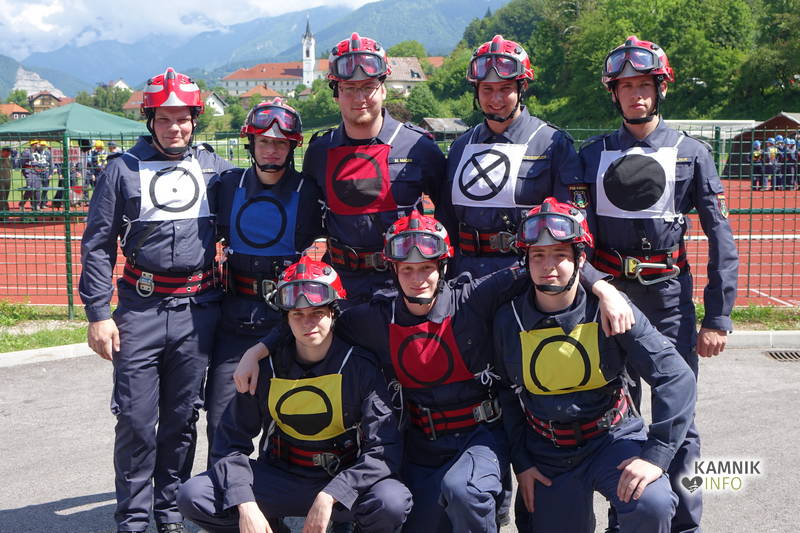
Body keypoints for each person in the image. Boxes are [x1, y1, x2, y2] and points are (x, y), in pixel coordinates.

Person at [236, 211, 634, 533]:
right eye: (406, 270)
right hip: (421, 443)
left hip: (479, 435)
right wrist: (260, 348)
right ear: (393, 270)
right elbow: (312, 317)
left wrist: (604, 288)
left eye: (426, 267)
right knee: (416, 518)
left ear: (443, 266)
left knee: (464, 493)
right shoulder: (374, 318)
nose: (417, 278)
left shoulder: (473, 298)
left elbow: (545, 264)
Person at [579, 36, 739, 533]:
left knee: (679, 418)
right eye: (625, 86)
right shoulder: (591, 154)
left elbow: (721, 236)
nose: (636, 95)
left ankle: (686, 524)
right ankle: (626, 520)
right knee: (616, 417)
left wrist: (718, 316)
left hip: (669, 298)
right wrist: (596, 287)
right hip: (611, 300)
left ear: (660, 88)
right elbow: (574, 237)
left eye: (644, 85)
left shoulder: (692, 152)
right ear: (614, 93)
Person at [79, 67, 232, 533]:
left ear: (194, 119)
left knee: (182, 419)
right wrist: (97, 313)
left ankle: (170, 513)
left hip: (198, 310)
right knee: (136, 420)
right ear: (150, 120)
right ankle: (133, 520)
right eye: (164, 119)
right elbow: (97, 244)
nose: (174, 128)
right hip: (140, 310)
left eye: (182, 118)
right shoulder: (121, 169)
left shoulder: (215, 168)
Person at [493, 197, 696, 533]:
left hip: (611, 439)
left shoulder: (611, 309)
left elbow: (675, 376)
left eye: (560, 254)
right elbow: (505, 394)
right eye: (538, 255)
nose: (548, 265)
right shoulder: (507, 319)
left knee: (652, 503)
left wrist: (656, 455)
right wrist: (523, 463)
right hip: (548, 451)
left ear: (580, 259)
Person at [177, 256, 412, 533]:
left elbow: (383, 449)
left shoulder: (360, 366)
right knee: (194, 495)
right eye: (297, 314)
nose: (307, 323)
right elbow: (230, 444)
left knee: (392, 501)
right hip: (280, 476)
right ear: (286, 319)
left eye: (317, 313)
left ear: (333, 313)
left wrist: (333, 493)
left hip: (339, 478)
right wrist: (245, 503)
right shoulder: (265, 368)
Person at [205, 98, 324, 461]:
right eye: (264, 142)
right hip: (234, 321)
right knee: (222, 421)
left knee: (285, 423)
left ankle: (271, 492)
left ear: (293, 146)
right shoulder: (227, 186)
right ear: (251, 143)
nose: (272, 150)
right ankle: (223, 494)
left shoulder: (309, 192)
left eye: (280, 143)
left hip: (288, 322)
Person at [301, 32, 446, 305]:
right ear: (336, 94)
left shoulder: (418, 147)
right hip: (340, 287)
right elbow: (308, 220)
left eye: (368, 86)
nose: (360, 98)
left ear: (383, 89)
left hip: (404, 285)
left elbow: (448, 213)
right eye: (349, 88)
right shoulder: (320, 151)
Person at [437, 35, 584, 278]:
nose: (495, 99)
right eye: (487, 89)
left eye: (505, 89)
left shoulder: (552, 144)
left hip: (526, 276)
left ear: (522, 88)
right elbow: (446, 219)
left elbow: (575, 221)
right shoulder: (461, 146)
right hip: (465, 276)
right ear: (476, 91)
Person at [0, 146, 12, 212]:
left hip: (7, 180)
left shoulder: (7, 159)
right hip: (1, 181)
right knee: (2, 196)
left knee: (5, 196)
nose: (9, 154)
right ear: (3, 151)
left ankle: (5, 210)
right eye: (7, 153)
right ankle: (4, 211)